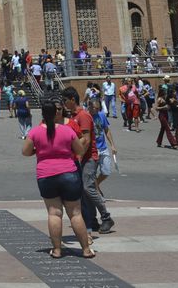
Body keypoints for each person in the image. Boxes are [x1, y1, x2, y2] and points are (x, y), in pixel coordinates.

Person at [22, 100, 94, 259]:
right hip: (68, 172)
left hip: (46, 175)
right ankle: (86, 250)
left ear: (42, 114)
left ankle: (57, 250)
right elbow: (80, 149)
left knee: (54, 213)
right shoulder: (67, 130)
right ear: (56, 113)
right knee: (75, 213)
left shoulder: (34, 132)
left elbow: (25, 152)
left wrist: (38, 150)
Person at [62, 86, 115, 235]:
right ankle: (92, 220)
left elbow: (86, 140)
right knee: (84, 191)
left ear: (73, 99)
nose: (64, 103)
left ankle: (106, 217)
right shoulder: (72, 116)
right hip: (80, 157)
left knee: (88, 188)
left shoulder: (83, 115)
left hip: (89, 157)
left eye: (65, 100)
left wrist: (78, 158)